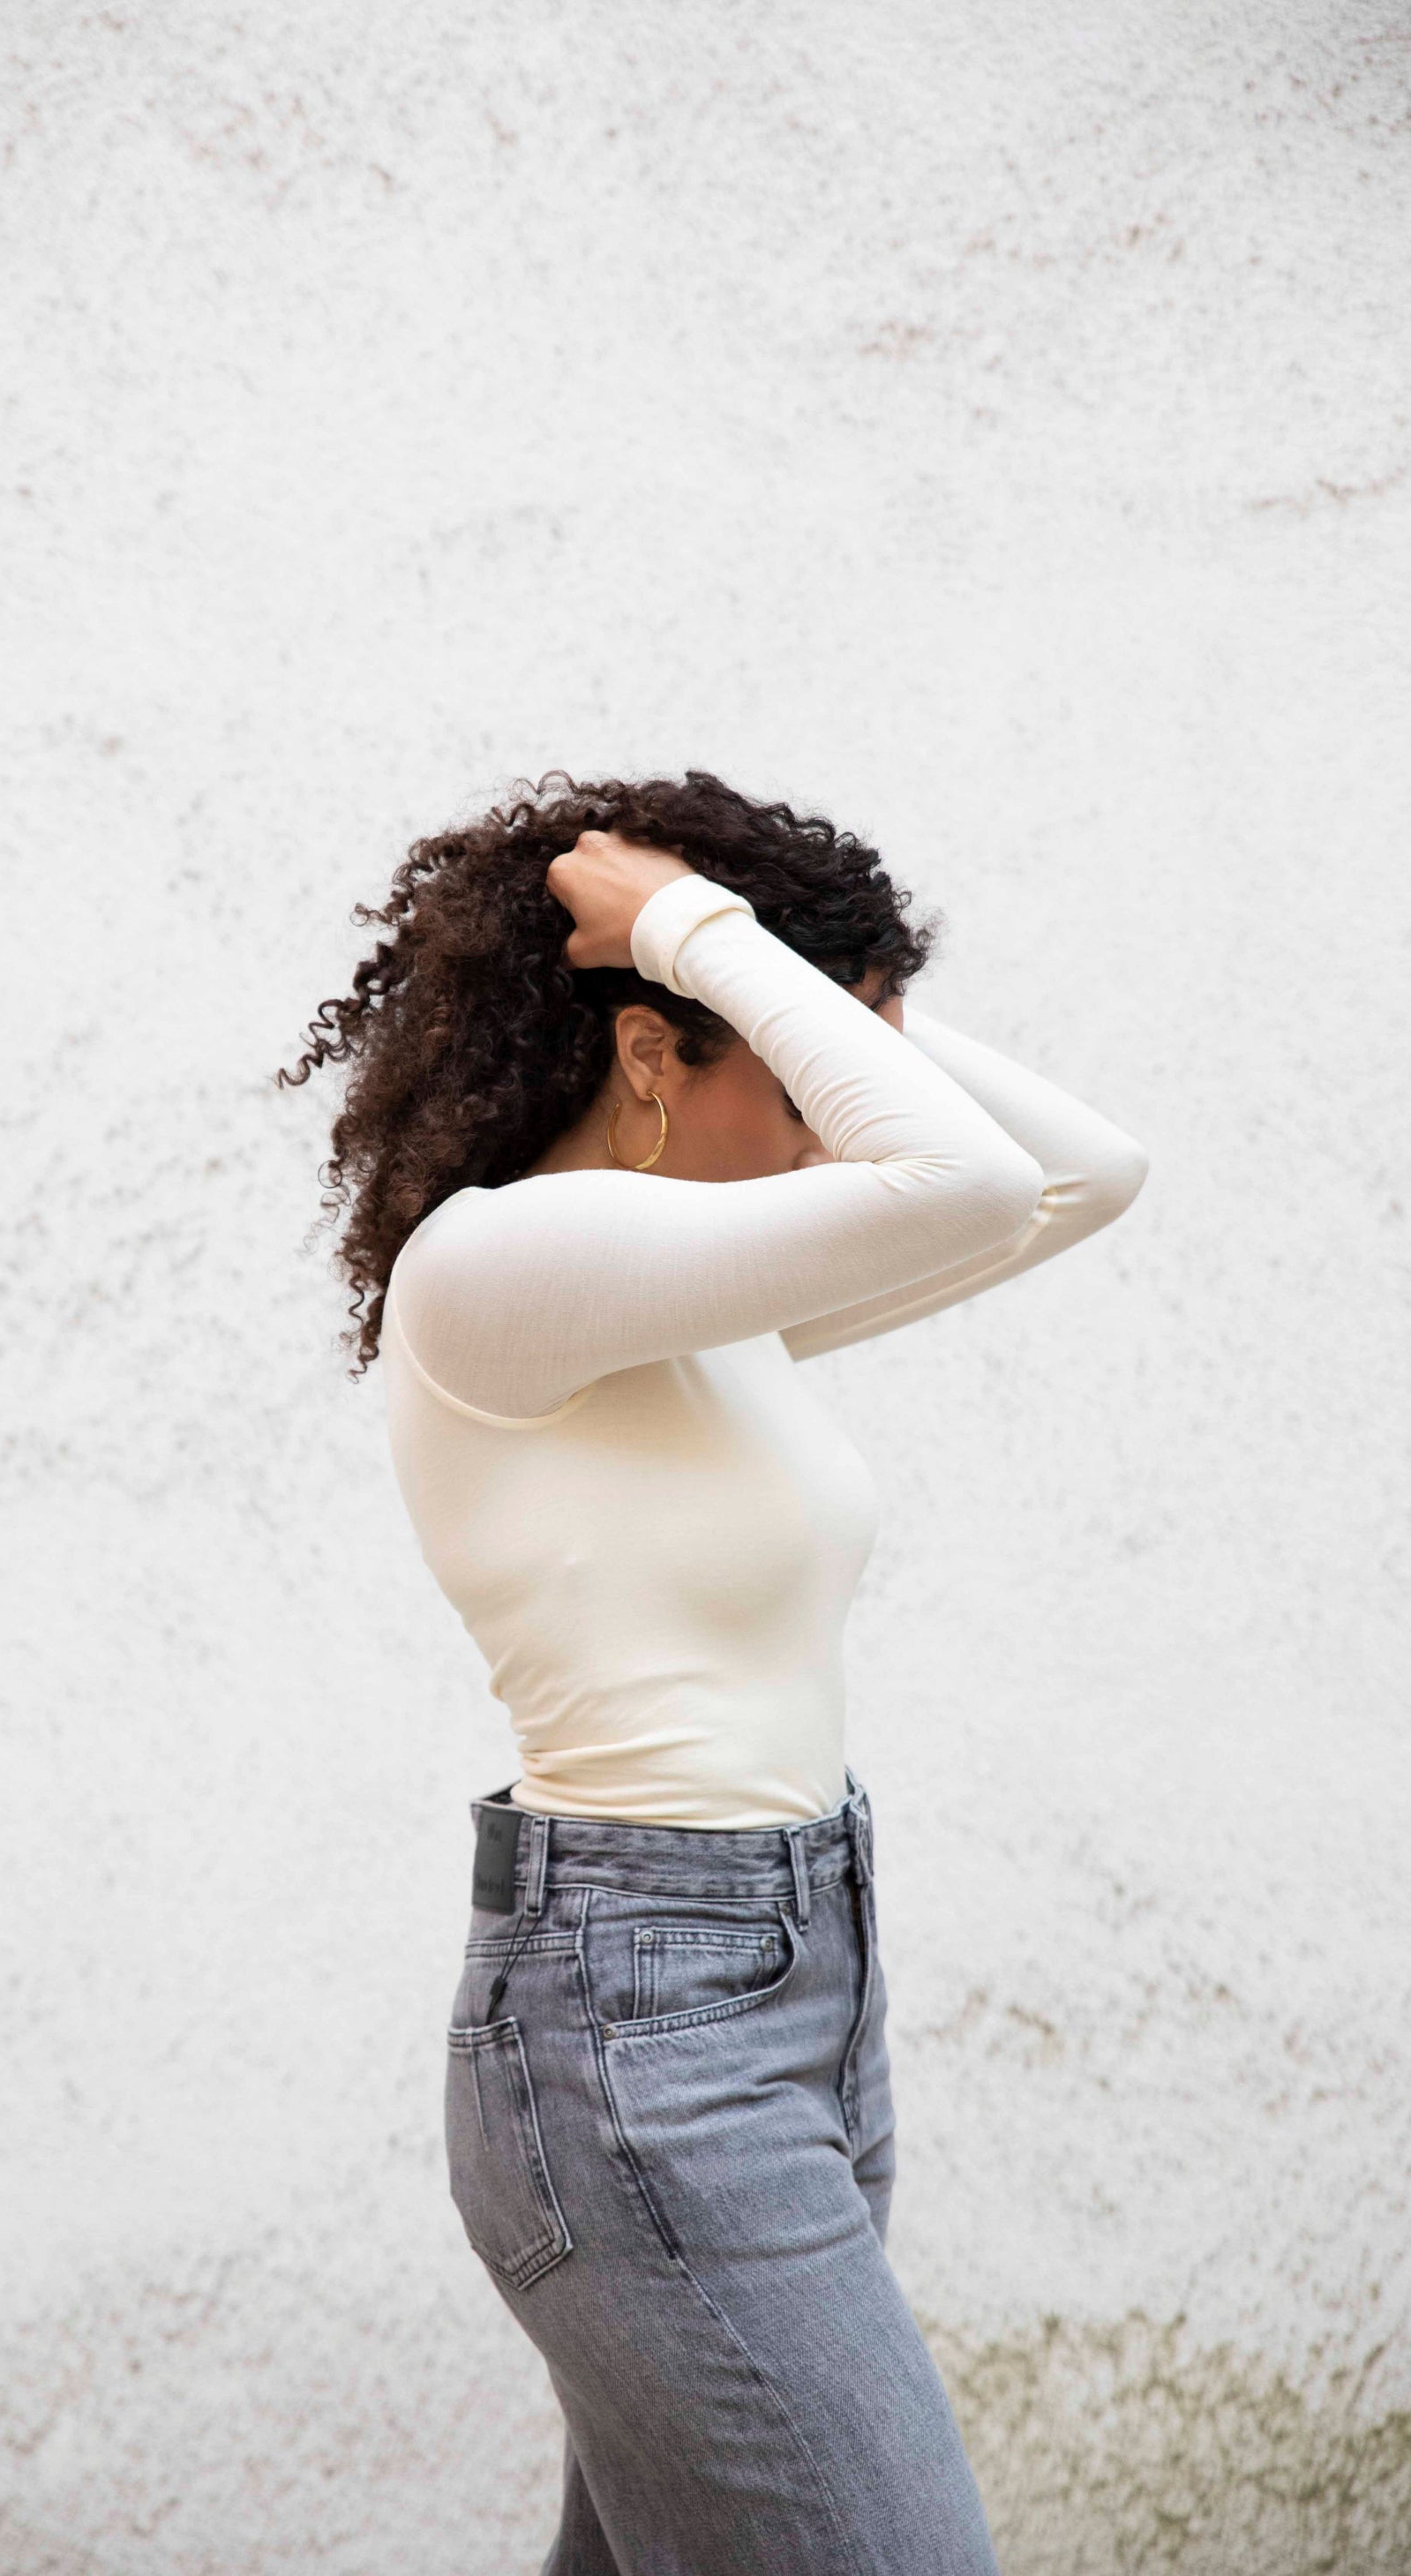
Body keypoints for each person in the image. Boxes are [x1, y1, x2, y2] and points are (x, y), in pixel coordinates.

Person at [280, 770, 1149, 2575]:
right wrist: (698, 930)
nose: (837, 1117)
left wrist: (774, 973)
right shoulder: (499, 1265)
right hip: (639, 2035)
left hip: (788, 1985)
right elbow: (972, 1177)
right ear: (650, 1047)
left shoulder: (691, 1297)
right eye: (805, 1065)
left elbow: (1084, 1176)